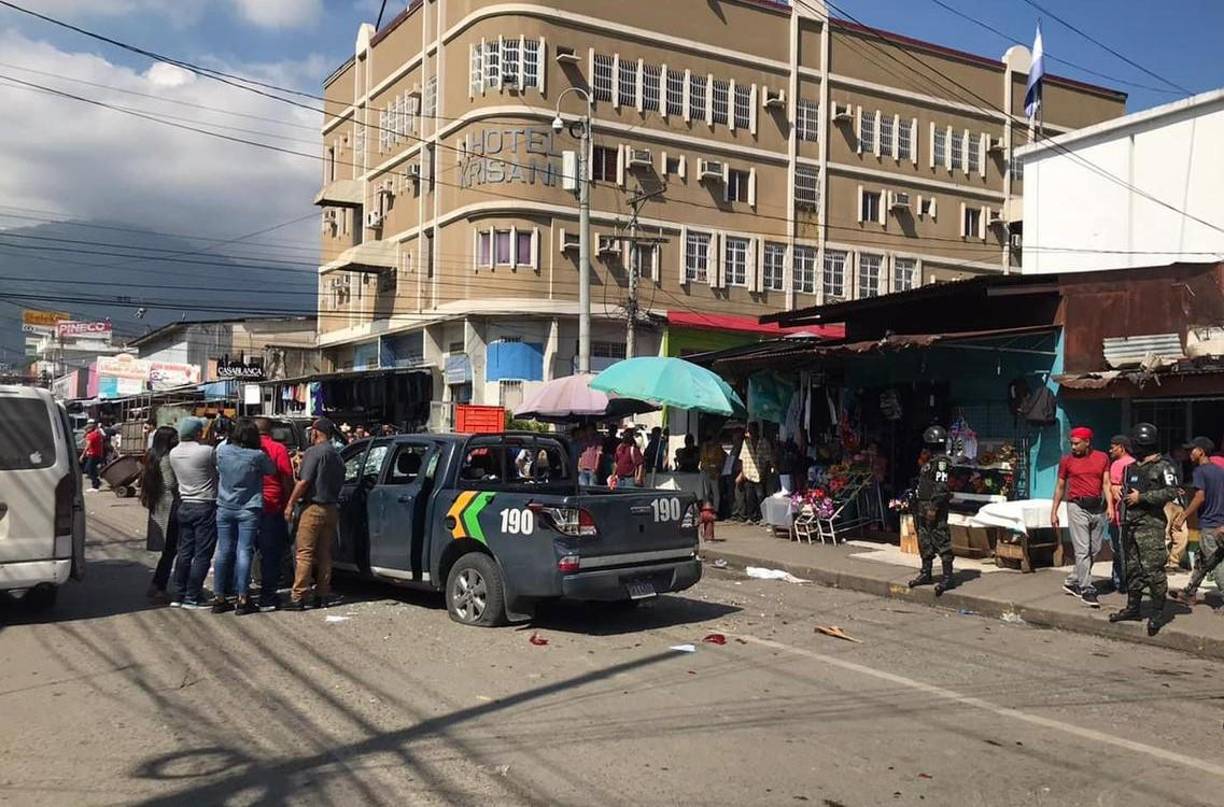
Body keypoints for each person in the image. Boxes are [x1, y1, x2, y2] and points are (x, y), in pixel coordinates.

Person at [1109, 422, 1181, 636]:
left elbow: (1172, 491)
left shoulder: (1164, 466)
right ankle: (1133, 608)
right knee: (1132, 569)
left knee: (1153, 570)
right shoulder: (1133, 466)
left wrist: (1142, 497)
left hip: (1150, 525)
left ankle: (1158, 613)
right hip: (1130, 523)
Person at [211, 420, 276, 615]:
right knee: (244, 551)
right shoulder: (257, 456)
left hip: (224, 506)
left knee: (223, 551)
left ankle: (219, 596)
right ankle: (242, 597)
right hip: (248, 508)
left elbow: (215, 464)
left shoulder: (222, 451)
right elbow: (271, 470)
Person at [284, 418, 345, 610]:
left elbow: (304, 481)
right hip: (332, 508)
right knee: (325, 554)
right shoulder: (337, 455)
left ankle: (299, 596)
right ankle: (322, 594)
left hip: (313, 508)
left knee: (304, 553)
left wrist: (290, 504)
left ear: (316, 433)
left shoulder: (313, 452)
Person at [1050, 426, 1111, 608]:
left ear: (1087, 442)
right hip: (1076, 506)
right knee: (1083, 549)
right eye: (1071, 443)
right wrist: (1054, 511)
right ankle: (1086, 588)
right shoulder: (1066, 461)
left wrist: (1111, 506)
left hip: (1098, 507)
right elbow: (1060, 486)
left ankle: (1072, 580)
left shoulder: (1102, 458)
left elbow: (1106, 483)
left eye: (1077, 443)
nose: (1073, 447)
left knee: (1095, 549)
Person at [168, 417, 219, 610]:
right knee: (202, 554)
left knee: (184, 552)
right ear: (199, 432)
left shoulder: (174, 453)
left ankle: (178, 594)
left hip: (185, 504)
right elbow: (218, 469)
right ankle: (192, 595)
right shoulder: (206, 451)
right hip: (205, 505)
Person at [1171, 438, 1224, 608]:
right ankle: (1189, 592)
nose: (1189, 453)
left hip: (1210, 524)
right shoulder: (1220, 471)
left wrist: (1184, 515)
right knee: (1202, 561)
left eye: (1192, 450)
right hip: (1219, 522)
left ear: (1201, 451)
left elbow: (1199, 497)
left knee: (1215, 563)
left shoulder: (1200, 472)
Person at [909, 424, 957, 595]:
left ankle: (947, 577)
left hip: (933, 507)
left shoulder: (942, 463)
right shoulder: (930, 462)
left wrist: (933, 507)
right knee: (924, 539)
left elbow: (942, 487)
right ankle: (926, 572)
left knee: (941, 538)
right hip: (922, 507)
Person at [256, 418, 295, 611]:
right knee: (271, 554)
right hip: (272, 507)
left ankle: (240, 595)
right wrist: (289, 503)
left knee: (243, 552)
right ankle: (267, 597)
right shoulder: (278, 449)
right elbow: (287, 478)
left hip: (245, 508)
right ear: (271, 431)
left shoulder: (240, 448)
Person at [140, 426, 179, 603]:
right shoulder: (167, 459)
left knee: (168, 550)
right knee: (171, 549)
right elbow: (170, 483)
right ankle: (159, 586)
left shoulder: (152, 456)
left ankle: (158, 585)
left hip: (159, 506)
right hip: (169, 505)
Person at [1105, 434, 1135, 593]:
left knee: (1120, 550)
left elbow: (1114, 489)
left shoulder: (1120, 464)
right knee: (1124, 550)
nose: (1110, 450)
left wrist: (1110, 505)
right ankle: (1121, 580)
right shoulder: (1132, 464)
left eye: (1113, 447)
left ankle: (1121, 581)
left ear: (1121, 448)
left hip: (1120, 515)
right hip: (1126, 516)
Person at [735, 422, 773, 524]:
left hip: (759, 473)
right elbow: (743, 459)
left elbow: (767, 460)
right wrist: (742, 474)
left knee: (760, 496)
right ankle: (752, 517)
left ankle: (762, 517)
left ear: (757, 430)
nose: (750, 432)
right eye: (749, 430)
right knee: (749, 497)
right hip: (748, 472)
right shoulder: (746, 443)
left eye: (752, 430)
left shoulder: (764, 442)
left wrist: (765, 473)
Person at [1165, 446, 1191, 571]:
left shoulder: (1179, 464)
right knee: (1166, 534)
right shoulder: (1164, 463)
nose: (1186, 454)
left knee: (1182, 534)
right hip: (1166, 502)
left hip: (1179, 502)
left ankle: (1174, 562)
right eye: (1183, 450)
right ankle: (1164, 564)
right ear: (1176, 450)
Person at [698, 434, 726, 517]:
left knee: (715, 492)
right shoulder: (704, 447)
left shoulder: (718, 448)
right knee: (705, 492)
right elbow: (702, 459)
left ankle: (715, 511)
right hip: (705, 471)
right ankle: (706, 510)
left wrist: (716, 469)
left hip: (714, 472)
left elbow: (721, 461)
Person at [721, 427, 744, 520]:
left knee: (738, 493)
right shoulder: (734, 447)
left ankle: (740, 513)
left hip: (737, 471)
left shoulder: (741, 447)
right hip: (730, 471)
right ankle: (734, 512)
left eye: (735, 435)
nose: (733, 437)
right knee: (731, 493)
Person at [80, 420, 104, 491]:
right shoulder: (96, 434)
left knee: (88, 469)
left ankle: (95, 485)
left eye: (87, 429)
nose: (86, 430)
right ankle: (96, 482)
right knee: (91, 469)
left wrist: (82, 455)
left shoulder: (92, 435)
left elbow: (88, 445)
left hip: (93, 455)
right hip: (96, 454)